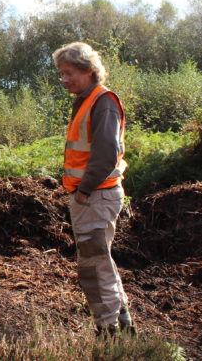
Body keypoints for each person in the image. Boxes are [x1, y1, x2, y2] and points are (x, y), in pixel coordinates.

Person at [52, 42, 135, 336]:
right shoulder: (88, 100)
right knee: (98, 261)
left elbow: (106, 152)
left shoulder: (103, 101)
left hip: (96, 196)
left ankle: (110, 330)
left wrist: (85, 190)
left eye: (69, 73)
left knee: (94, 266)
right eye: (61, 74)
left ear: (88, 70)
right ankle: (120, 321)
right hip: (91, 195)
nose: (64, 80)